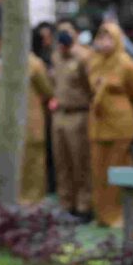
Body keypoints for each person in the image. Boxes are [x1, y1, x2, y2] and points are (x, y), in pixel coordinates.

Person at [88, 22, 133, 228]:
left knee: (119, 168)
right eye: (100, 37)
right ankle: (102, 214)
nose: (104, 42)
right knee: (98, 170)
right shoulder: (94, 62)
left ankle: (119, 215)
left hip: (120, 123)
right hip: (97, 123)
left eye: (108, 37)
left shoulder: (126, 63)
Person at [49, 20, 93, 222]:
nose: (64, 36)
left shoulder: (85, 57)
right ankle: (66, 204)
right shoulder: (57, 57)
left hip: (79, 113)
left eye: (68, 32)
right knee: (62, 162)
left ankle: (84, 205)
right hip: (60, 114)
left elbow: (90, 87)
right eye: (60, 32)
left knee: (80, 162)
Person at [18, 51, 53, 205]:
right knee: (22, 160)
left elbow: (47, 90)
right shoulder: (9, 61)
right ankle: (23, 197)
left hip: (32, 120)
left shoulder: (34, 63)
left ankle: (35, 199)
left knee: (35, 161)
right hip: (17, 121)